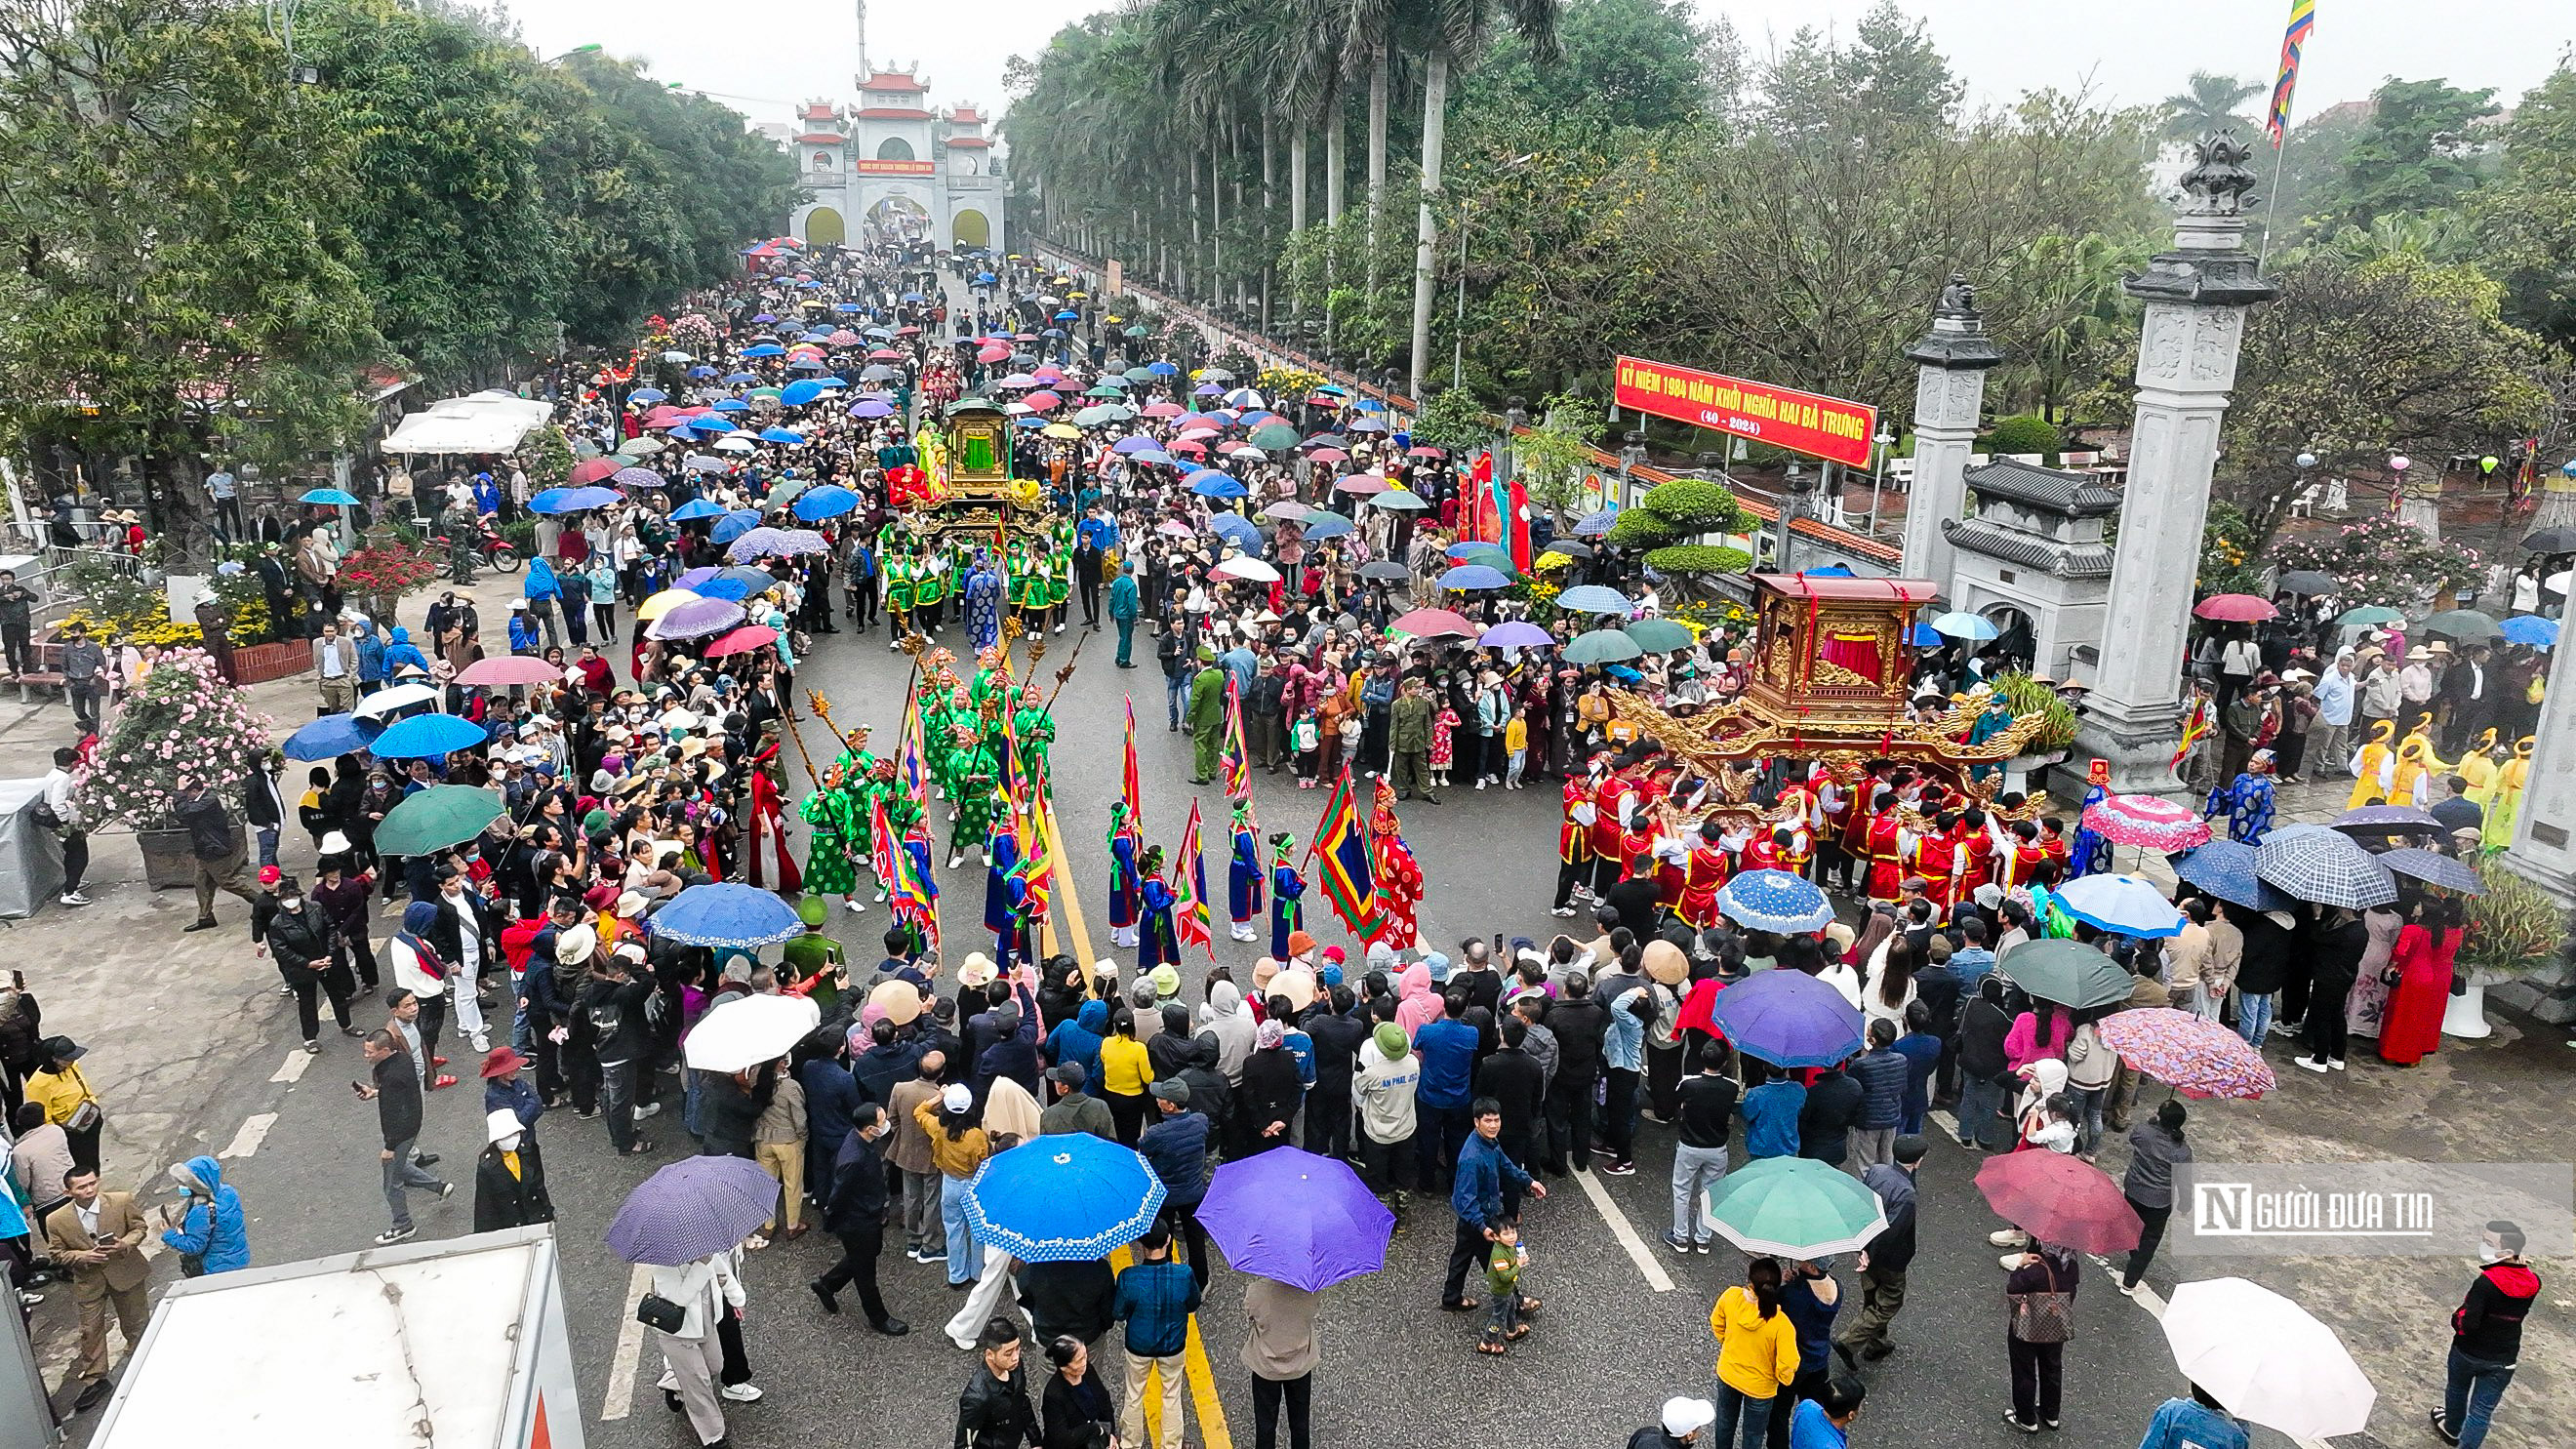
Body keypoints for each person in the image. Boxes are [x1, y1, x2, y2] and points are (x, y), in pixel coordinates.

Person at [46, 1166, 151, 1412]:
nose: (89, 1189)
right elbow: (56, 1253)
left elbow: (140, 1228)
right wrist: (83, 1257)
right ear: (68, 1191)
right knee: (90, 1331)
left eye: (92, 1183)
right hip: (89, 1280)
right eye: (81, 1187)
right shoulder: (56, 1219)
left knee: (136, 1322)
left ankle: (143, 1361)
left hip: (125, 1272)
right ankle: (96, 1379)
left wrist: (123, 1244)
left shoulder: (121, 1200)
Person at [2433, 1220, 2540, 1449]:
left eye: (2488, 1243)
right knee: (2481, 1413)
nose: (2483, 1246)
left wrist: (2456, 1318)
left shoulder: (2486, 1283)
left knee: (2457, 1389)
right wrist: (2517, 1267)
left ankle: (2452, 1428)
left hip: (2467, 1351)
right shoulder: (2534, 1282)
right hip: (2503, 1358)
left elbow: (2468, 1322)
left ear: (2508, 1251)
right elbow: (2518, 1282)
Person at [812, 1102, 907, 1336]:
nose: (885, 1124)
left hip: (867, 1216)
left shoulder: (859, 1142)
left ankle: (828, 1285)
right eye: (881, 1121)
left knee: (863, 1256)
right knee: (866, 1273)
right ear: (869, 1129)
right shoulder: (854, 1158)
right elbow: (838, 1195)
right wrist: (832, 1221)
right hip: (858, 1222)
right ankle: (879, 1318)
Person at [1443, 1097, 1544, 1311]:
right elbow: (1465, 1199)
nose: (1493, 1125)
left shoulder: (1489, 1143)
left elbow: (1505, 1165)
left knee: (1462, 1256)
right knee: (1500, 1261)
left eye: (1496, 1120)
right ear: (1476, 1122)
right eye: (1487, 1120)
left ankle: (1451, 1297)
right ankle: (1516, 1304)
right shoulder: (1472, 1158)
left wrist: (1529, 1180)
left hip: (1480, 1218)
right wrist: (1483, 1227)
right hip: (1479, 1219)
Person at [1832, 1135, 1925, 1368]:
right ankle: (1850, 1340)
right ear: (1918, 1161)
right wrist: (1871, 1255)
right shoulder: (1906, 1194)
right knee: (1889, 1302)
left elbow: (1862, 1204)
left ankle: (1876, 1344)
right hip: (1889, 1260)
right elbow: (1891, 1233)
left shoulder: (1877, 1171)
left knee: (1873, 1296)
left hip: (1867, 1248)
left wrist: (1862, 1248)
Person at [356, 1027, 452, 1244]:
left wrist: (389, 1147)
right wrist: (374, 1092)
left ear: (386, 1050)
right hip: (412, 1125)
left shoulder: (389, 1075)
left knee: (391, 1181)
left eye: (370, 1052)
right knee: (399, 1166)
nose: (366, 1056)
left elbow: (392, 1114)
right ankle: (437, 1186)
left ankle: (403, 1224)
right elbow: (398, 1093)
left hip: (400, 1133)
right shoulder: (402, 1061)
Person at [652, 1248, 752, 1448]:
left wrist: (737, 1300)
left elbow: (724, 1275)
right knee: (700, 1383)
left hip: (707, 1324)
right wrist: (701, 1267)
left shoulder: (704, 1251)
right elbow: (678, 1299)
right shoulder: (662, 1263)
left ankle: (678, 1383)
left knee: (715, 1366)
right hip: (678, 1333)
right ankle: (712, 1435)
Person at [1112, 1224, 1201, 1449]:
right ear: (1169, 1239)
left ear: (1140, 1244)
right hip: (1173, 1346)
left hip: (1138, 1346)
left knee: (1134, 1394)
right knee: (1171, 1395)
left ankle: (1130, 1443)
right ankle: (1171, 1444)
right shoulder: (1184, 1275)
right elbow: (1193, 1304)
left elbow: (1118, 1312)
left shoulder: (1128, 1277)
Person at [1711, 1257, 1800, 1449]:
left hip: (1728, 1374)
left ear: (1750, 1281)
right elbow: (1788, 1363)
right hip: (1761, 1389)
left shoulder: (1731, 1297)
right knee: (1753, 1435)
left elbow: (1717, 1323)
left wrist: (1727, 1342)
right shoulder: (1781, 1324)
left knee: (1725, 1423)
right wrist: (1779, 1378)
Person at [916, 1081, 992, 1288]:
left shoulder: (938, 1128)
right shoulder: (977, 1136)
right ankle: (978, 1274)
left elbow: (919, 1111)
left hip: (949, 1183)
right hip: (973, 1184)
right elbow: (983, 1163)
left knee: (953, 1228)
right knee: (978, 1231)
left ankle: (957, 1275)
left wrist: (939, 1096)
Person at [2002, 1241, 2079, 1432]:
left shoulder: (2037, 1269)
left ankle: (2026, 1418)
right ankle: (2050, 1414)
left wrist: (2021, 1266)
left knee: (2024, 1370)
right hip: (2055, 1327)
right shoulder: (2072, 1266)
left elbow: (2013, 1288)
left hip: (2029, 1327)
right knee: (2052, 1367)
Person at [1667, 1051, 1737, 1255]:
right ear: (1724, 1063)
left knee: (1681, 1190)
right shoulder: (1732, 1087)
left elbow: (1676, 1101)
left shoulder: (1688, 1083)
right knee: (1710, 1193)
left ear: (1702, 1058)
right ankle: (1703, 1238)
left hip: (1689, 1145)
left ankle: (1680, 1236)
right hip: (1717, 1147)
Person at [2116, 1101, 2190, 1295]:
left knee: (2133, 1227)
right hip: (2159, 1202)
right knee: (2149, 1241)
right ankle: (2130, 1281)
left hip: (2134, 1191)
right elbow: (2184, 1180)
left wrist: (2151, 1123)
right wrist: (2185, 1203)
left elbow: (2133, 1138)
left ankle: (2133, 1253)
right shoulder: (2182, 1151)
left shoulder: (2144, 1132)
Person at [1242, 1273, 1320, 1449]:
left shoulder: (1257, 1291)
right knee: (1300, 1425)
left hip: (1266, 1368)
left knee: (1265, 1426)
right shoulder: (1311, 1289)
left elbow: (1250, 1314)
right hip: (1300, 1365)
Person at [156, 1154, 248, 1274]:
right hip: (239, 1257)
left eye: (185, 1184)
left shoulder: (201, 1211)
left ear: (197, 1185)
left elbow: (194, 1247)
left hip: (217, 1267)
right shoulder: (228, 1191)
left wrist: (168, 1234)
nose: (182, 1187)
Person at [472, 1107, 555, 1232]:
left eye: (515, 1133)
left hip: (536, 1219)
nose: (512, 1139)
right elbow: (485, 1206)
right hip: (512, 1227)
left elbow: (539, 1184)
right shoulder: (487, 1167)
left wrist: (548, 1213)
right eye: (506, 1136)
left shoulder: (528, 1150)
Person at [1040, 1335, 1115, 1449]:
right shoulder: (1053, 1395)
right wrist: (1096, 1429)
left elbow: (1104, 1401)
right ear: (1064, 1367)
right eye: (1079, 1360)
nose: (1085, 1362)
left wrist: (1111, 1434)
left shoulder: (1087, 1370)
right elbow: (1062, 1439)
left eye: (1085, 1356)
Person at [2137, 1385, 2249, 1449]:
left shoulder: (2171, 1411)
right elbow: (2242, 1441)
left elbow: (2150, 1445)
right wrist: (2242, 1416)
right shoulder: (2234, 1436)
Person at [1786, 1377, 1865, 1449]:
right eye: (1860, 1404)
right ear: (1851, 1415)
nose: (1861, 1406)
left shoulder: (1807, 1405)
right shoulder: (1832, 1446)